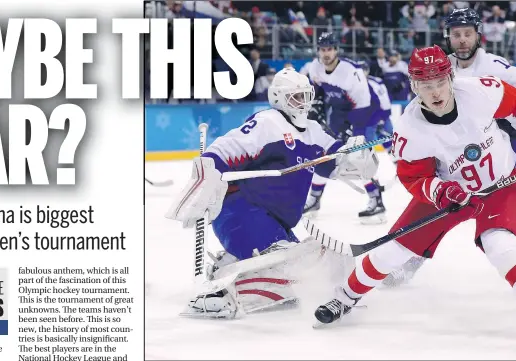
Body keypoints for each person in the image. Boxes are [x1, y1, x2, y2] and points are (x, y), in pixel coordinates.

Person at [313, 45, 516, 351]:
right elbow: (414, 177)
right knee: (393, 249)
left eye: (440, 81)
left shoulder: (481, 91)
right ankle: (345, 297)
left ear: (450, 76)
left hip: (499, 183)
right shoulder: (410, 128)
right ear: (414, 86)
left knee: (498, 241)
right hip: (449, 192)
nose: (435, 91)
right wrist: (439, 190)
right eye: (426, 85)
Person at [165, 68, 378, 319]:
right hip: (241, 214)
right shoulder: (268, 122)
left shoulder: (313, 131)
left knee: (311, 270)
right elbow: (224, 149)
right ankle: (220, 294)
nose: (303, 103)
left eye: (306, 95)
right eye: (295, 97)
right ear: (278, 98)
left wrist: (356, 157)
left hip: (275, 224)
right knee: (290, 272)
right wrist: (206, 177)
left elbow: (336, 160)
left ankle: (233, 265)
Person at [382, 8, 516, 288]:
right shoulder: (438, 67)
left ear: (477, 35)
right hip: (449, 160)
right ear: (448, 37)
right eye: (456, 35)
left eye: (467, 34)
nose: (462, 40)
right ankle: (409, 260)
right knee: (434, 209)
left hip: (495, 152)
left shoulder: (495, 65)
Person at [303, 32, 386, 224]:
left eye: (329, 49)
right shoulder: (314, 66)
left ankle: (376, 199)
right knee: (322, 154)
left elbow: (364, 103)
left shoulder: (351, 72)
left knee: (357, 159)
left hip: (363, 113)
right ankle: (315, 198)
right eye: (323, 49)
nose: (326, 53)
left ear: (336, 50)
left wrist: (354, 130)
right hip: (339, 113)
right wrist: (317, 108)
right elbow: (317, 91)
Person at [359, 61, 394, 153]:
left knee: (390, 135)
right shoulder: (353, 84)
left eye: (364, 70)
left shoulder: (376, 82)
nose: (362, 72)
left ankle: (393, 152)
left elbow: (384, 99)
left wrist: (384, 114)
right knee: (369, 140)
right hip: (367, 117)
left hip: (380, 113)